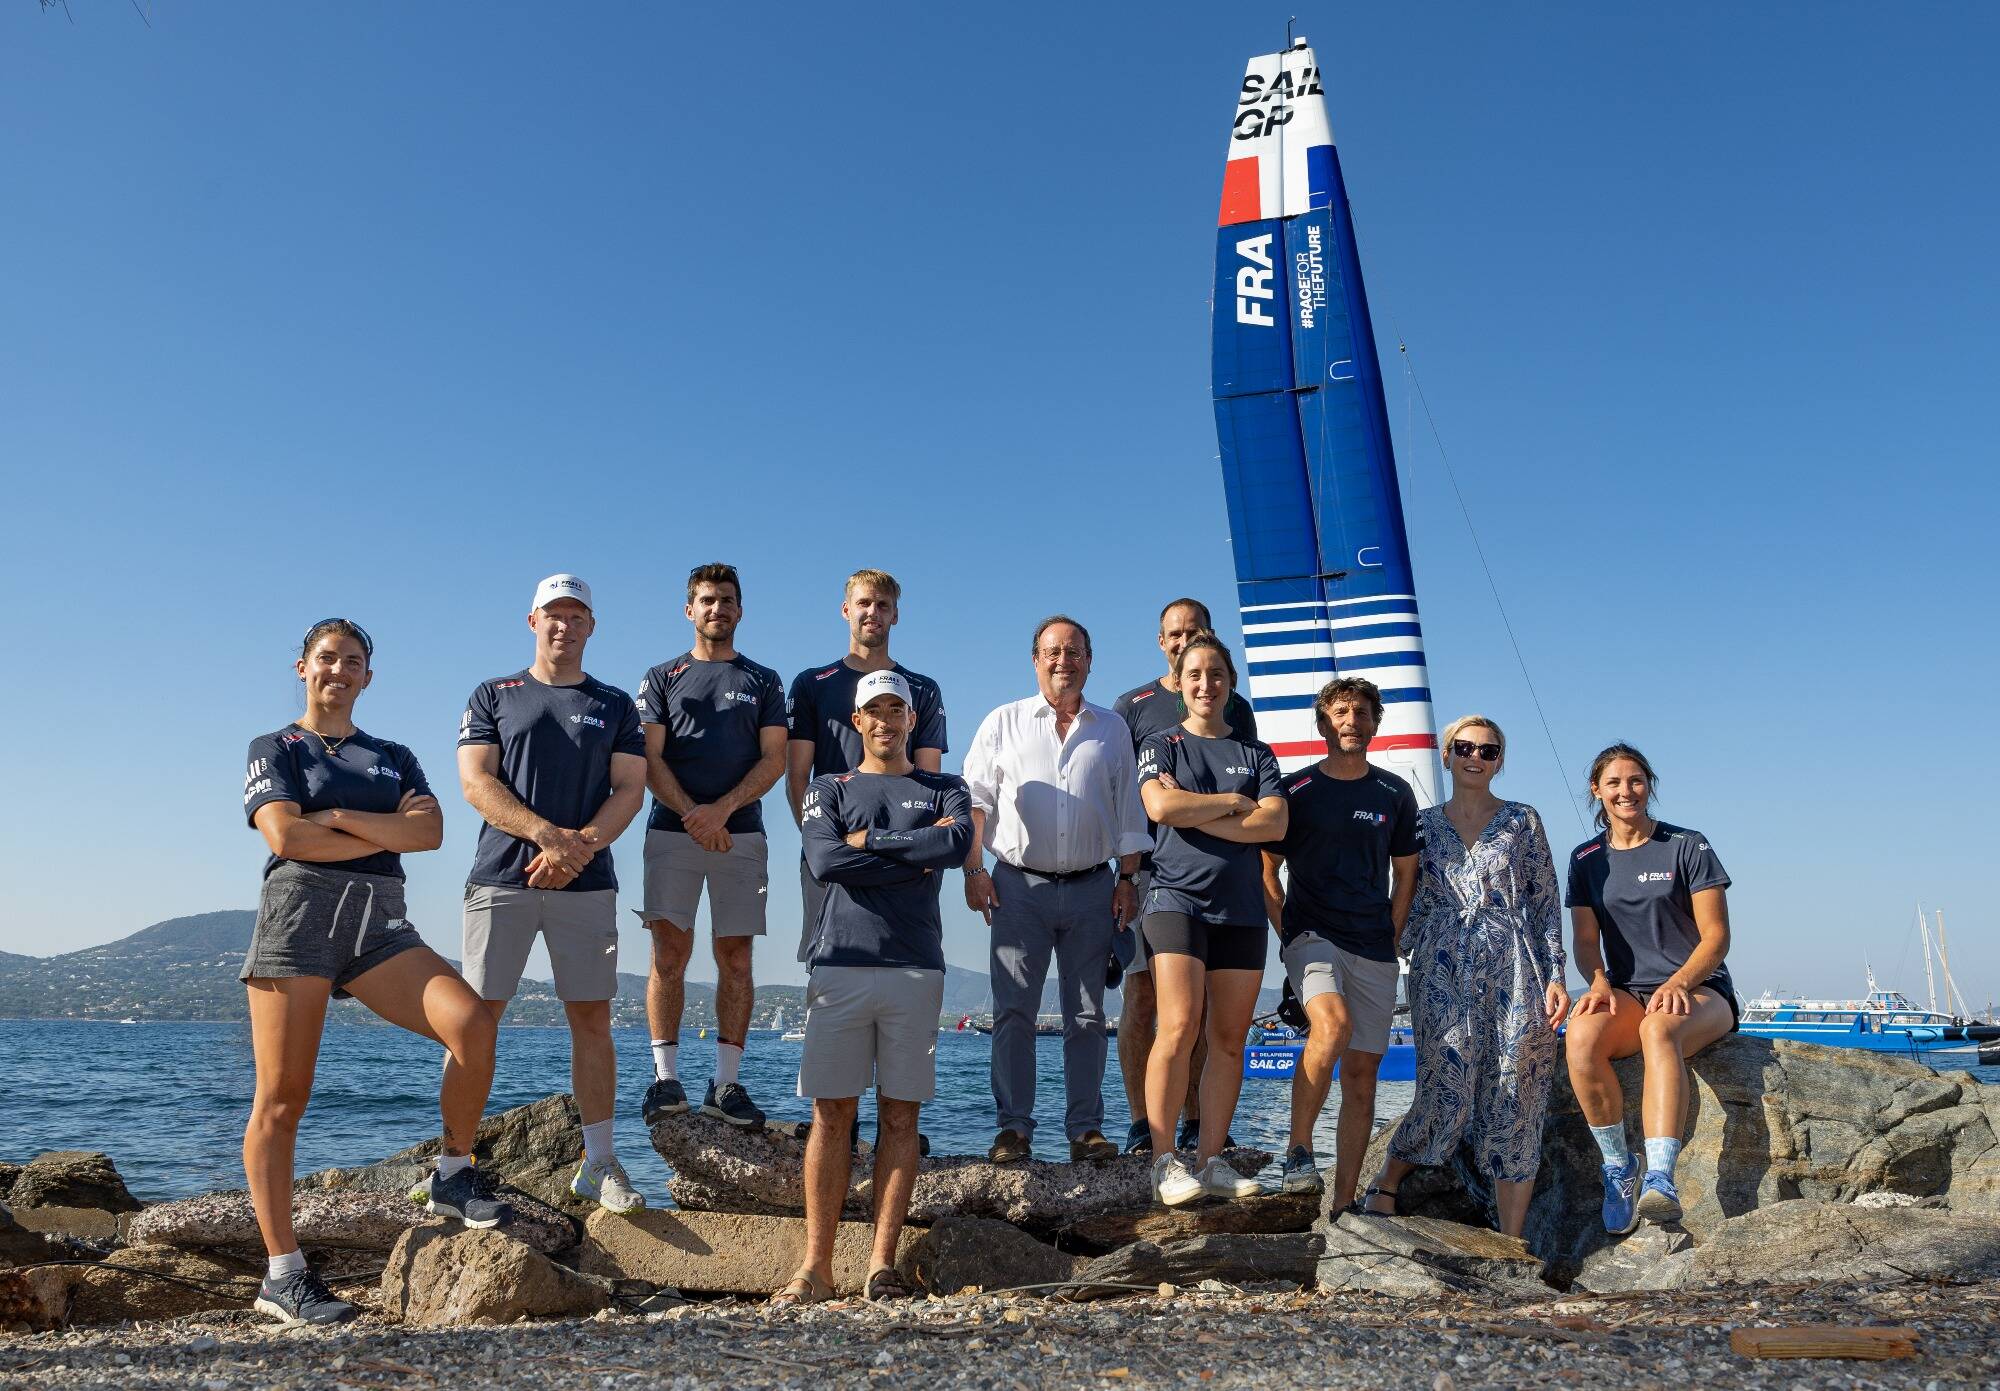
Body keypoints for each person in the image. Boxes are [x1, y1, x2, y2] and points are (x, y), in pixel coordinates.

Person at [241, 620, 507, 1326]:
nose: (338, 669)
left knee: (473, 1024)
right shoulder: (276, 747)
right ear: (302, 666)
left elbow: (428, 833)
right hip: (300, 917)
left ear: (367, 675)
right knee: (283, 1097)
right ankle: (282, 1274)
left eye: (352, 660)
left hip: (379, 925)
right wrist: (368, 824)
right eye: (326, 658)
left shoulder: (393, 755)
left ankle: (453, 1172)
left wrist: (331, 812)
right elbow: (285, 835)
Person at [774, 670, 973, 1304]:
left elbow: (959, 843)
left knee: (900, 1114)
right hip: (840, 963)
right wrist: (912, 851)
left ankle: (880, 1265)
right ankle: (816, 1266)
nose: (885, 720)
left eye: (897, 710)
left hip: (916, 965)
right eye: (873, 711)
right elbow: (826, 860)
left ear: (913, 720)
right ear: (856, 721)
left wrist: (876, 842)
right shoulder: (829, 787)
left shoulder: (946, 786)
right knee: (831, 1114)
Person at [456, 574, 650, 1214]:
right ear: (532, 621)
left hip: (586, 884)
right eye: (552, 615)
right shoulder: (494, 694)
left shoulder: (616, 704)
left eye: (576, 615)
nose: (563, 626)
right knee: (475, 1022)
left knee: (592, 1021)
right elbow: (475, 781)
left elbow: (630, 789)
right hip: (501, 877)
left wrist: (578, 848)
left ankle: (600, 1163)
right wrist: (547, 836)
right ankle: (453, 1166)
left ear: (591, 625)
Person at [1360, 716, 1568, 1237]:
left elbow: (1545, 904)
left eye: (1489, 750)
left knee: (1518, 1089)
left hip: (1517, 967)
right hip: (1440, 969)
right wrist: (1394, 952)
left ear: (1501, 760)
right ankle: (1387, 1179)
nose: (1476, 756)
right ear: (1447, 754)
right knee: (1442, 1084)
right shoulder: (1421, 824)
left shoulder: (1524, 821)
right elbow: (1402, 895)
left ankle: (1511, 1237)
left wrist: (1556, 975)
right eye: (1466, 747)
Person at [961, 616, 1150, 1165]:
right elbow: (976, 801)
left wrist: (1129, 879)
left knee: (1088, 1016)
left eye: (1073, 651)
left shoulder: (1112, 728)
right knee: (1013, 1012)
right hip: (1016, 887)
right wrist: (973, 870)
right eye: (1052, 651)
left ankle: (1085, 1130)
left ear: (1090, 660)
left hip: (1095, 887)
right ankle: (1014, 1130)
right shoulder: (1003, 722)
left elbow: (1129, 811)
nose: (1062, 660)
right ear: (1035, 659)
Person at [635, 563, 788, 1131]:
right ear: (689, 610)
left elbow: (774, 759)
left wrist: (719, 812)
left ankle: (725, 1084)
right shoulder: (661, 677)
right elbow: (648, 758)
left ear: (740, 610)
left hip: (739, 833)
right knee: (668, 956)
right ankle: (664, 1079)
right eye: (706, 600)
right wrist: (693, 816)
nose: (716, 608)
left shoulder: (764, 681)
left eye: (726, 600)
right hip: (670, 831)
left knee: (737, 959)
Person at [1136, 634, 1287, 1206]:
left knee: (1228, 1040)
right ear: (1180, 680)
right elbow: (1161, 807)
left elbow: (1274, 826)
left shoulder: (1258, 755)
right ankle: (1163, 1161)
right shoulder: (1162, 743)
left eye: (1217, 673)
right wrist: (1234, 803)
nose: (1206, 683)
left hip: (1242, 909)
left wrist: (1201, 807)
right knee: (1177, 1026)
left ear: (1230, 681)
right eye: (1195, 673)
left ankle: (1212, 1159)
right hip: (1176, 899)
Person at [1259, 677, 1421, 1206]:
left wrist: (1393, 934)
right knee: (1331, 1026)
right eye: (1339, 712)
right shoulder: (1296, 790)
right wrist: (1285, 931)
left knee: (1361, 1076)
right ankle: (1299, 1153)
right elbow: (1268, 867)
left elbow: (1406, 874)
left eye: (1360, 712)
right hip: (1312, 935)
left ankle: (1343, 1203)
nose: (1350, 720)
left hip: (1374, 945)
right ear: (1322, 723)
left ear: (1376, 723)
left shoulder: (1396, 793)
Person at [1563, 744, 1735, 1233]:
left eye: (1635, 781)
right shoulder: (1585, 858)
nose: (1626, 791)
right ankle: (1619, 1166)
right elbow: (1585, 941)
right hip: (1628, 992)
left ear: (1649, 786)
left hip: (1702, 990)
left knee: (1660, 1031)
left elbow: (1717, 938)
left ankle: (1661, 1178)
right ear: (1597, 791)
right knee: (1580, 1036)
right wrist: (1596, 980)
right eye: (1614, 783)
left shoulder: (1687, 844)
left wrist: (1681, 981)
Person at [1112, 598, 1260, 1155]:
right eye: (1173, 635)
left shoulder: (1233, 705)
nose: (1182, 642)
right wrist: (1124, 874)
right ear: (1160, 642)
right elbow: (1132, 798)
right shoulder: (1133, 706)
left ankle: (1197, 1119)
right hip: (1149, 870)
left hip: (1221, 875)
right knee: (1144, 997)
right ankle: (1141, 1122)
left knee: (1201, 1012)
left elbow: (1252, 791)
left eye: (1192, 633)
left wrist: (1198, 804)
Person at [786, 569, 947, 965]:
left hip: (908, 856)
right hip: (834, 851)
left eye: (883, 605)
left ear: (896, 615)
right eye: (863, 603)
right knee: (828, 965)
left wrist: (915, 849)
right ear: (846, 610)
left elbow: (930, 779)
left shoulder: (922, 689)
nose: (872, 611)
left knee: (909, 964)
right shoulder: (812, 684)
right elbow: (796, 777)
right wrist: (821, 841)